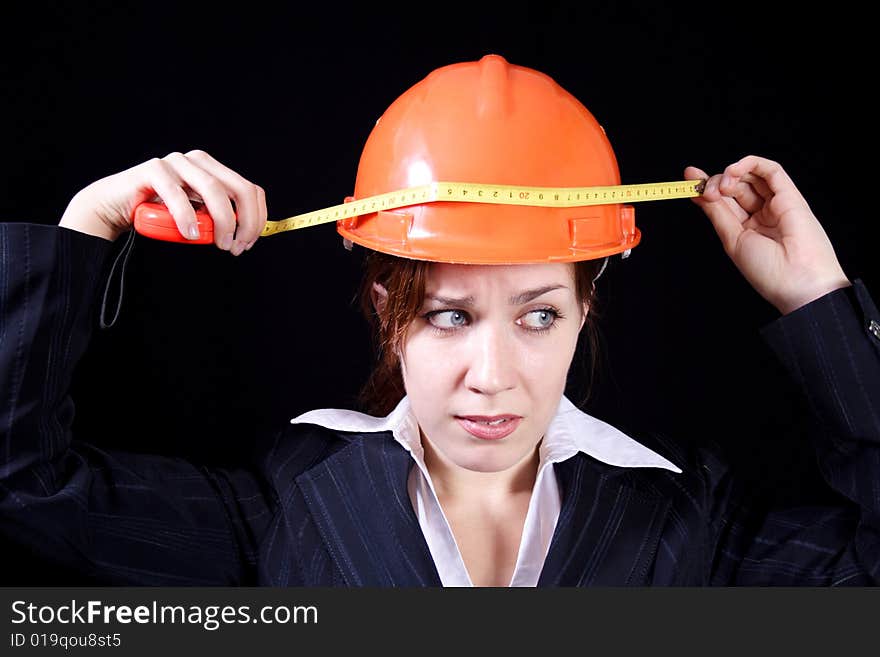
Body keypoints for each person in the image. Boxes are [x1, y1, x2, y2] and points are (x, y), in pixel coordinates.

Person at [1, 54, 877, 586]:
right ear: (388, 314)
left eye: (537, 316)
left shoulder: (693, 519)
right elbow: (21, 478)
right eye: (451, 315)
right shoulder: (284, 510)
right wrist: (89, 223)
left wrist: (819, 302)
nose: (492, 374)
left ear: (585, 311)